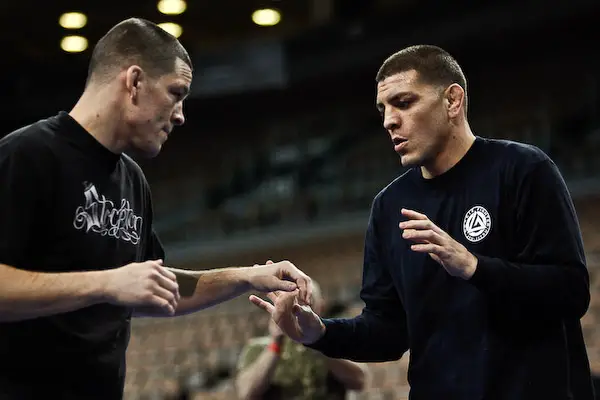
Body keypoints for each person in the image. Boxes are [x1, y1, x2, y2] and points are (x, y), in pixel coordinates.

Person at [250, 44, 595, 399]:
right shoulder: (389, 208)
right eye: (383, 109)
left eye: (403, 103)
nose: (388, 121)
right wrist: (321, 334)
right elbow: (388, 331)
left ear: (453, 101)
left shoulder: (523, 170)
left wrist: (475, 268)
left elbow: (569, 292)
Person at [0, 17, 312, 400]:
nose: (180, 114)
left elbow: (159, 289)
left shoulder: (133, 180)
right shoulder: (26, 156)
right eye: (175, 93)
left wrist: (249, 276)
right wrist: (107, 283)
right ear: (134, 83)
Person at [235, 281, 367, 400]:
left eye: (306, 303)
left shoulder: (334, 340)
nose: (299, 311)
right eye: (292, 305)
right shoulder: (257, 348)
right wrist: (276, 342)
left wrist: (318, 341)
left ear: (320, 306)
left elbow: (359, 381)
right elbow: (246, 393)